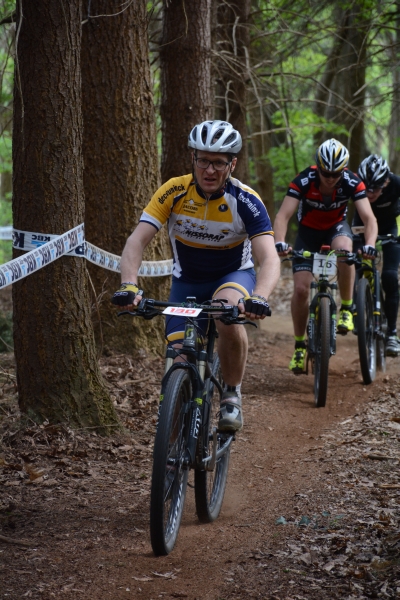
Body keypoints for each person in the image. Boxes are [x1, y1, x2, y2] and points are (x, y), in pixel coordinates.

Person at [111, 120, 280, 431]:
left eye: (218, 162)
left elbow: (269, 257)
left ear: (233, 163)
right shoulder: (174, 191)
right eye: (203, 160)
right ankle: (171, 463)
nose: (210, 170)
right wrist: (129, 284)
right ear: (193, 159)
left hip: (232, 276)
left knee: (225, 313)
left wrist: (260, 297)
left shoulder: (245, 201)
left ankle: (231, 394)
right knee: (179, 363)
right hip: (186, 282)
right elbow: (136, 241)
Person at [273, 138, 378, 374]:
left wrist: (370, 244)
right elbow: (282, 216)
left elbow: (369, 218)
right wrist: (280, 242)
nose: (330, 178)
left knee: (344, 251)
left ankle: (348, 310)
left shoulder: (352, 182)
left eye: (336, 173)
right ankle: (300, 346)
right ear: (318, 167)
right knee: (300, 290)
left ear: (344, 170)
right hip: (308, 234)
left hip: (336, 229)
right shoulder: (303, 180)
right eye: (326, 172)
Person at [353, 154, 400, 356]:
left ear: (386, 181)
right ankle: (357, 306)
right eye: (366, 187)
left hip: (391, 228)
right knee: (353, 264)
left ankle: (391, 333)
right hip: (361, 227)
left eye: (376, 188)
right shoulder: (353, 183)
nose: (370, 193)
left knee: (390, 276)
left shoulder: (396, 183)